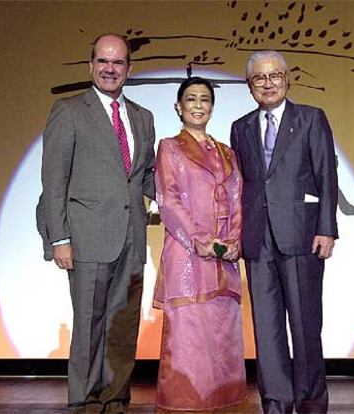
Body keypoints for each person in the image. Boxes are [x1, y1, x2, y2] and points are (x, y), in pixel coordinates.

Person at [38, 33, 155, 414]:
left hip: (132, 239)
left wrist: (188, 192)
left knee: (122, 328)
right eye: (103, 61)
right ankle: (84, 403)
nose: (110, 68)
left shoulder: (143, 117)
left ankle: (116, 399)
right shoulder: (69, 111)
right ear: (91, 66)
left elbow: (146, 176)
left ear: (128, 69)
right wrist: (60, 237)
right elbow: (54, 180)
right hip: (87, 238)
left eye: (118, 62)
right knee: (89, 325)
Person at [230, 51, 338, 414]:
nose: (268, 83)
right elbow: (242, 184)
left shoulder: (311, 118)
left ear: (287, 78)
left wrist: (327, 228)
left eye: (275, 75)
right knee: (267, 328)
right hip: (257, 240)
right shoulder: (240, 127)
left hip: (303, 236)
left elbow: (326, 176)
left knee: (306, 326)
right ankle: (276, 401)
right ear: (249, 86)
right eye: (259, 78)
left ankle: (309, 400)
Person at [154, 77, 247, 412]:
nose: (197, 105)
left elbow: (238, 198)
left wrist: (234, 239)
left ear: (212, 107)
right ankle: (185, 403)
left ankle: (224, 402)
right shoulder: (170, 147)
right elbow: (170, 201)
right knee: (188, 334)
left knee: (223, 330)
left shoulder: (227, 152)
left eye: (204, 99)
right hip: (188, 254)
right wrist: (202, 241)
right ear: (178, 107)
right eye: (190, 99)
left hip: (225, 258)